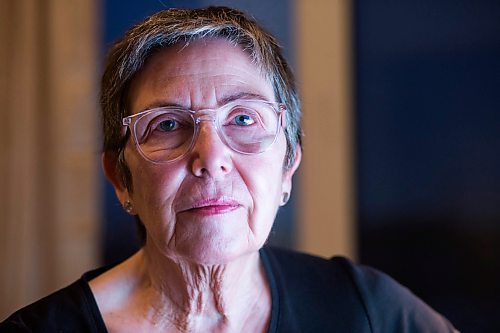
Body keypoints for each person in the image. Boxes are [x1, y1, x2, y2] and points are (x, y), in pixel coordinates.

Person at [1, 6, 458, 333]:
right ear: (122, 179)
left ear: (287, 168)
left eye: (243, 118)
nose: (211, 158)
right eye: (167, 124)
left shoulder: (367, 308)